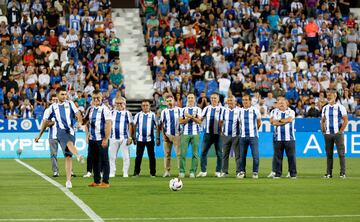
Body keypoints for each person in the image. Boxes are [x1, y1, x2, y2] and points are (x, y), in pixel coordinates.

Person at [35, 86, 84, 189]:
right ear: (57, 95)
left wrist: (79, 122)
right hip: (60, 132)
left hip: (71, 131)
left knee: (68, 156)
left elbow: (77, 113)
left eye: (65, 94)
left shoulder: (70, 103)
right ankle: (78, 155)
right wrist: (39, 135)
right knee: (68, 144)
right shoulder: (52, 107)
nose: (64, 96)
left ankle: (68, 181)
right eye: (62, 94)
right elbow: (44, 122)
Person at [84, 90, 112, 187]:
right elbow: (85, 121)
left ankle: (105, 181)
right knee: (95, 160)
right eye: (94, 98)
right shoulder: (90, 109)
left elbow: (108, 124)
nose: (96, 100)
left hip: (101, 139)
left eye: (98, 98)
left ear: (101, 98)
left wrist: (106, 138)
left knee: (104, 160)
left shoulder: (105, 109)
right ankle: (96, 181)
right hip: (92, 139)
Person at [321, 90, 348, 178]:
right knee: (329, 155)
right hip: (328, 134)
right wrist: (323, 131)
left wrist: (340, 131)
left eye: (330, 95)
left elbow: (345, 120)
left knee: (341, 154)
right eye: (328, 95)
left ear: (335, 96)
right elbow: (323, 120)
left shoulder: (341, 107)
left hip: (337, 134)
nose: (328, 97)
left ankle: (342, 173)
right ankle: (329, 173)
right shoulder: (325, 108)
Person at [197, 93, 224, 178]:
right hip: (208, 134)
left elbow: (224, 121)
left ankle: (218, 171)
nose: (213, 99)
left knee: (219, 153)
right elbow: (200, 119)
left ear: (218, 99)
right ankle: (203, 171)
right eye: (212, 98)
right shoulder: (206, 109)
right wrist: (194, 117)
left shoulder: (222, 109)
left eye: (215, 98)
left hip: (218, 134)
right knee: (203, 152)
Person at [270, 96, 297, 179]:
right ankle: (278, 174)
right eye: (279, 102)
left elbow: (289, 120)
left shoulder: (291, 111)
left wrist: (279, 121)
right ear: (277, 104)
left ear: (287, 103)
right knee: (278, 157)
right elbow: (272, 122)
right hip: (277, 138)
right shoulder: (273, 112)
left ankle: (293, 174)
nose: (281, 104)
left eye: (283, 102)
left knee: (291, 157)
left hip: (290, 138)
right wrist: (283, 121)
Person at [133, 100, 160, 177]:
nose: (145, 107)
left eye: (147, 105)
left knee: (152, 157)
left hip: (150, 139)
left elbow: (157, 126)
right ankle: (136, 172)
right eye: (143, 105)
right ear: (141, 107)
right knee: (138, 157)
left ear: (149, 106)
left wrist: (157, 137)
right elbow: (134, 126)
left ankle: (152, 173)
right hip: (140, 139)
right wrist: (134, 137)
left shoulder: (153, 115)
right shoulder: (138, 115)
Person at [35, 94, 59, 177]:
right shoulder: (48, 110)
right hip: (53, 136)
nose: (55, 101)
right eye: (53, 99)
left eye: (56, 99)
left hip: (64, 135)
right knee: (53, 154)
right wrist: (39, 135)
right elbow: (45, 123)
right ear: (51, 101)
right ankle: (55, 171)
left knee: (67, 154)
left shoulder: (64, 109)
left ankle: (70, 171)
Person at [179, 93, 202, 178]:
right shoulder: (183, 110)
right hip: (185, 133)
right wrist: (189, 118)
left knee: (195, 154)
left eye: (192, 98)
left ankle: (192, 171)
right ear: (187, 99)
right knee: (183, 153)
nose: (190, 99)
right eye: (189, 98)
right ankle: (182, 171)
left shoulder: (198, 109)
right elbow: (180, 121)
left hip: (196, 133)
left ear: (194, 99)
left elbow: (199, 121)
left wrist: (190, 116)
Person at [238, 95, 262, 179]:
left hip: (253, 137)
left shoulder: (255, 110)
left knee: (255, 155)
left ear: (250, 101)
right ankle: (242, 172)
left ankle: (255, 172)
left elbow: (259, 122)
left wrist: (255, 131)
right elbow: (239, 123)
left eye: (246, 100)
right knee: (242, 156)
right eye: (243, 100)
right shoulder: (239, 111)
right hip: (242, 137)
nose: (245, 101)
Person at [109, 97, 133, 178]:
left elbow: (130, 125)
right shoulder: (111, 112)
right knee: (112, 156)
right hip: (113, 137)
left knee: (126, 156)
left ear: (124, 104)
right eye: (117, 103)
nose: (119, 105)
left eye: (120, 103)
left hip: (124, 137)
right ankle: (112, 172)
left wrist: (130, 137)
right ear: (114, 104)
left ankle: (125, 172)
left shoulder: (127, 113)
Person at [160, 95, 182, 177]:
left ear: (174, 101)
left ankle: (180, 171)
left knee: (179, 154)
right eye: (168, 101)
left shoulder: (180, 110)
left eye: (171, 100)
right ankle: (167, 171)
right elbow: (161, 124)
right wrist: (163, 135)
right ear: (166, 102)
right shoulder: (164, 112)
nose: (169, 102)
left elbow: (183, 121)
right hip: (167, 135)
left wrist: (181, 132)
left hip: (177, 135)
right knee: (166, 154)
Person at [219, 96, 241, 177]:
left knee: (238, 155)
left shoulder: (239, 110)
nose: (230, 102)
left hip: (236, 136)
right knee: (224, 154)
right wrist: (222, 132)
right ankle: (224, 172)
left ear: (235, 102)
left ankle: (238, 172)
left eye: (231, 101)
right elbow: (221, 122)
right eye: (228, 101)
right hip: (226, 136)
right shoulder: (224, 110)